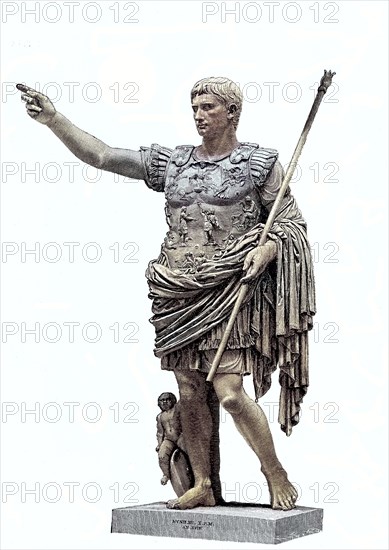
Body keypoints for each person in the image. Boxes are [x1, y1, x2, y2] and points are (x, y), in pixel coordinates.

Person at [18, 77, 316, 512]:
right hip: (176, 290)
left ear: (232, 112)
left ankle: (274, 472)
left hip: (229, 288)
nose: (198, 114)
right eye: (195, 106)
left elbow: (289, 223)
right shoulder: (173, 163)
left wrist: (268, 248)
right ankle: (202, 484)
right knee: (191, 390)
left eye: (209, 107)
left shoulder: (257, 164)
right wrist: (54, 120)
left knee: (230, 392)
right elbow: (103, 156)